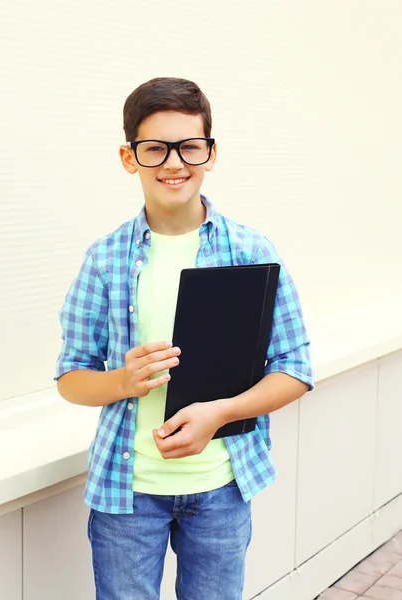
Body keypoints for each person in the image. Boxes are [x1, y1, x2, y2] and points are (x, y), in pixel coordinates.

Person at [55, 77, 314, 600]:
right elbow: (71, 379)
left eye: (189, 146)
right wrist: (123, 381)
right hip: (126, 494)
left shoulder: (250, 249)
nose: (174, 163)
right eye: (155, 148)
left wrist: (218, 413)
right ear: (130, 158)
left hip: (221, 487)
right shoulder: (104, 259)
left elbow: (295, 368)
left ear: (210, 153)